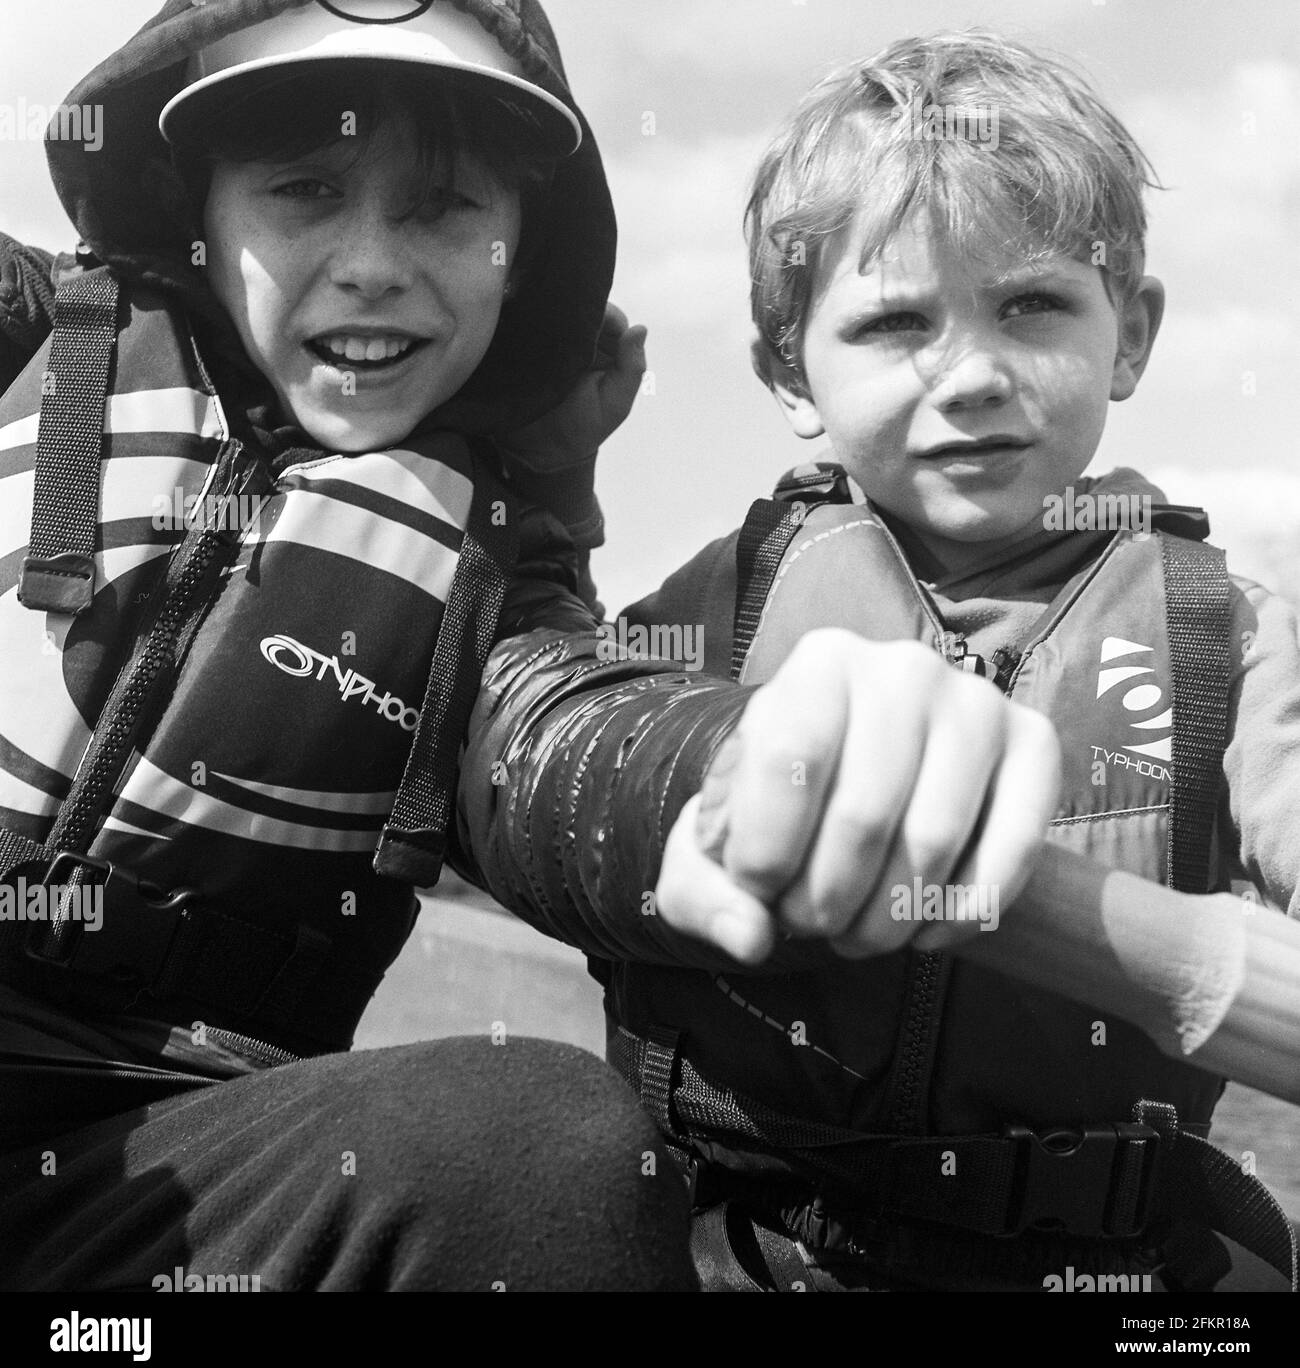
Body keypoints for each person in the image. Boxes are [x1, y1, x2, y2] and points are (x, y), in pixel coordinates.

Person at [457, 30, 1300, 1290]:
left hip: (1090, 1262)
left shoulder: (1229, 637)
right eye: (897, 320)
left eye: (1031, 305)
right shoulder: (728, 597)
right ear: (788, 372)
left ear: (1130, 336)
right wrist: (553, 483)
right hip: (735, 1244)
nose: (970, 374)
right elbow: (543, 749)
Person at [0, 0, 694, 1292]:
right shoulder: (28, 325)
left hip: (177, 1187)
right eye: (303, 189)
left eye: (441, 210)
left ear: (524, 254)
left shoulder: (500, 581)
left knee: (551, 1147)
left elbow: (583, 747)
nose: (372, 260)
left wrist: (736, 778)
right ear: (196, 207)